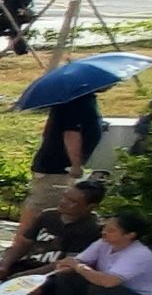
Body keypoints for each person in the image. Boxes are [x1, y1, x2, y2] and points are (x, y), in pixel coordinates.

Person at [0, 179, 108, 295]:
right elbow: (22, 244)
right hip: (27, 264)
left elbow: (67, 263)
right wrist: (4, 265)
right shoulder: (48, 215)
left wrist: (28, 275)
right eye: (64, 197)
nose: (63, 202)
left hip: (50, 274)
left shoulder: (91, 228)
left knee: (29, 292)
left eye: (72, 201)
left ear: (90, 206)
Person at [36, 211, 152, 295]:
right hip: (111, 290)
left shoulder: (139, 254)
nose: (104, 233)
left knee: (100, 289)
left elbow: (109, 281)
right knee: (66, 278)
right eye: (104, 228)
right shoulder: (103, 243)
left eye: (111, 231)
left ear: (130, 235)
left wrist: (77, 266)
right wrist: (66, 267)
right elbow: (79, 260)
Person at [24, 88, 108, 232]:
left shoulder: (84, 99)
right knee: (42, 208)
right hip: (57, 167)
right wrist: (75, 164)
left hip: (60, 167)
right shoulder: (76, 101)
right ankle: (24, 240)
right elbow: (71, 134)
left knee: (50, 208)